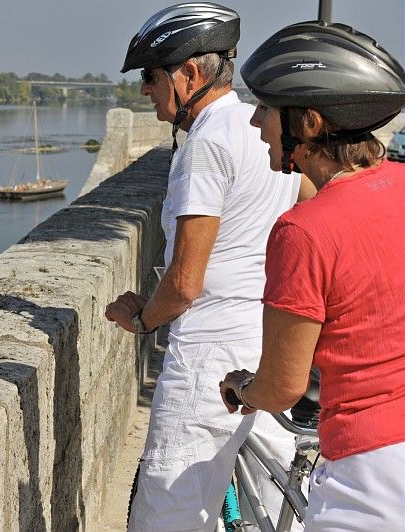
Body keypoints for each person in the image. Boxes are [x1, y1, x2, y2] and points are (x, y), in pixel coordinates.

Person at [105, 3, 313, 530]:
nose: (145, 90)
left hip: (210, 355)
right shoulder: (261, 131)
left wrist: (141, 320)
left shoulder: (206, 145)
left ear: (190, 73)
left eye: (151, 77)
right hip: (266, 339)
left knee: (167, 512)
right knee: (275, 505)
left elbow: (183, 283)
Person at [220, 21, 405, 530]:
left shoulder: (302, 232)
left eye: (267, 109)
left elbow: (282, 386)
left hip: (370, 472)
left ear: (308, 123)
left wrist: (243, 387)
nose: (257, 123)